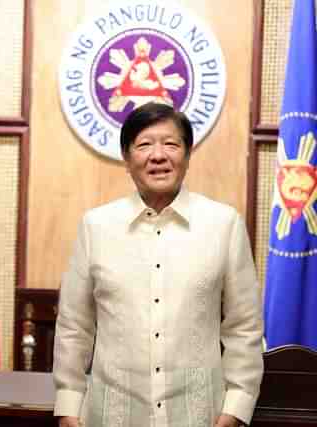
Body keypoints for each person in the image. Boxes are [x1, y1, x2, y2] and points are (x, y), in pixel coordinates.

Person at [53, 102, 263, 427]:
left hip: (200, 416)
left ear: (188, 155)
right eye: (144, 144)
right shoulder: (96, 226)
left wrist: (235, 408)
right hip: (112, 415)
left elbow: (243, 327)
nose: (158, 155)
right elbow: (74, 326)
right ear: (127, 158)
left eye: (171, 143)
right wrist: (68, 404)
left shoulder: (224, 225)